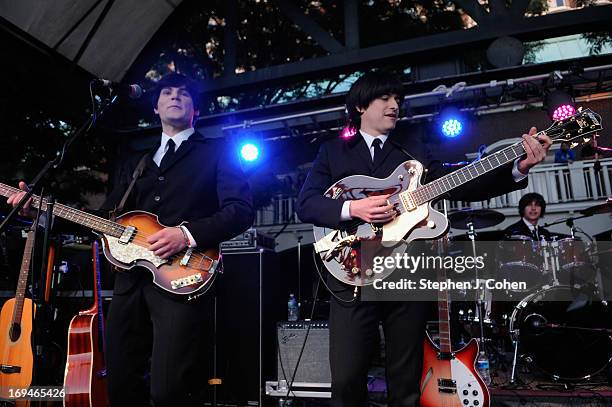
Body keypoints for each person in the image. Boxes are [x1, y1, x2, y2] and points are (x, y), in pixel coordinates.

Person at [296, 71, 551, 406]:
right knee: (346, 378)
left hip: (407, 273)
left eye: (397, 100)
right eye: (384, 98)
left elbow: (464, 182)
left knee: (405, 381)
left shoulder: (413, 148)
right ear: (360, 105)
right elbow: (307, 204)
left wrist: (517, 168)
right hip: (353, 273)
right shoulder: (333, 151)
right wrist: (354, 208)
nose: (394, 105)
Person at [7, 73, 254, 406]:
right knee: (121, 385)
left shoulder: (216, 151)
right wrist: (40, 212)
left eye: (183, 93)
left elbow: (240, 211)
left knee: (170, 390)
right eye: (166, 92)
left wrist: (185, 234)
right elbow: (101, 222)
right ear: (155, 107)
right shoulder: (136, 162)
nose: (175, 97)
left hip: (182, 280)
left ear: (195, 109)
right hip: (129, 284)